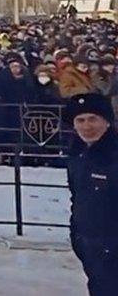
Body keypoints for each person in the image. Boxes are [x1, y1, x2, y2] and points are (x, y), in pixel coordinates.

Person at [65, 93, 118, 295]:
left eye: (93, 119)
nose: (87, 126)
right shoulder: (77, 156)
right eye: (80, 120)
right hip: (91, 248)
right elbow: (76, 198)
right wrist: (77, 237)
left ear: (106, 122)